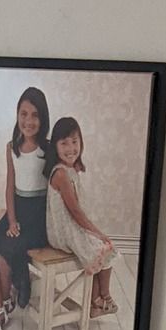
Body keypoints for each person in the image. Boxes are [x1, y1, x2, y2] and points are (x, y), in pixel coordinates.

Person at [0, 86, 50, 330]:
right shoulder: (12, 147)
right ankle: (0, 308)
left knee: (4, 255)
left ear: (43, 119)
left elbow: (57, 187)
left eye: (35, 115)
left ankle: (4, 305)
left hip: (37, 217)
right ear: (17, 115)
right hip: (16, 211)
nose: (28, 121)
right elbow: (10, 187)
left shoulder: (47, 150)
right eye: (24, 113)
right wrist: (11, 220)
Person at [44, 116, 117, 319]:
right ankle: (102, 298)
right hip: (63, 233)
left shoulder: (71, 170)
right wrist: (96, 232)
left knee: (102, 248)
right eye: (64, 143)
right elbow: (75, 211)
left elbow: (78, 210)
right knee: (104, 247)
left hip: (70, 227)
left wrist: (94, 231)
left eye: (75, 141)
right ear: (56, 147)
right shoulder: (60, 174)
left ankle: (98, 301)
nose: (71, 148)